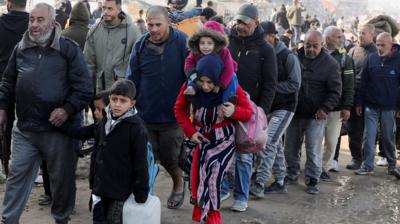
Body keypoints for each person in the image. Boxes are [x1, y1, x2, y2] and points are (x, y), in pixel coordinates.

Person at [0, 3, 93, 223]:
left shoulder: (68, 49)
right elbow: (8, 81)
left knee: (62, 181)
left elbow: (84, 88)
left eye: (40, 20)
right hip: (25, 128)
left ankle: (61, 219)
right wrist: (2, 106)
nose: (34, 24)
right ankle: (8, 220)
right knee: (16, 177)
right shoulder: (20, 48)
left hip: (58, 130)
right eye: (31, 19)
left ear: (53, 23)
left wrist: (67, 109)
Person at [174, 54, 252, 224]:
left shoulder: (231, 85)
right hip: (200, 141)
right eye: (202, 81)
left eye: (210, 82)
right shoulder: (190, 86)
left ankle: (214, 217)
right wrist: (190, 132)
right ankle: (205, 215)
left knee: (213, 178)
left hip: (223, 141)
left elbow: (248, 112)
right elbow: (179, 109)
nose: (206, 86)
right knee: (200, 179)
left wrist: (234, 112)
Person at [62, 80, 150, 223]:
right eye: (114, 99)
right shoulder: (104, 121)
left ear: (132, 103)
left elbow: (140, 163)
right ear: (109, 99)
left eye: (123, 101)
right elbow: (93, 147)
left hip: (119, 192)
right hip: (99, 188)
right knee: (98, 220)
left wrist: (142, 192)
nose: (117, 104)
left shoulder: (136, 128)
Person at [126, 5, 188, 209]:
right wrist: (128, 101)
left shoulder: (182, 42)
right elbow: (131, 78)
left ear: (168, 23)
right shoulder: (140, 45)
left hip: (173, 115)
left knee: (170, 158)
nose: (153, 29)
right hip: (145, 113)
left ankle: (179, 184)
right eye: (150, 25)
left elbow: (192, 73)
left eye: (158, 25)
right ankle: (145, 197)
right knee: (145, 159)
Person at [226, 4, 277, 212]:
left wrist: (261, 110)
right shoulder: (228, 44)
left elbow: (270, 83)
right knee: (222, 150)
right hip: (226, 106)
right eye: (238, 22)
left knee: (245, 156)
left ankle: (241, 196)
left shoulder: (265, 49)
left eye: (245, 23)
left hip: (251, 111)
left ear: (255, 23)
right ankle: (222, 189)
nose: (240, 26)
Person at [285, 30, 341, 194]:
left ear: (322, 45)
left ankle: (312, 179)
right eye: (308, 45)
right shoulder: (294, 57)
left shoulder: (330, 64)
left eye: (314, 46)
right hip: (294, 111)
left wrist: (325, 109)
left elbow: (336, 91)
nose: (310, 49)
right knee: (290, 147)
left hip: (316, 114)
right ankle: (292, 174)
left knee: (313, 149)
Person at [250, 21, 301, 198]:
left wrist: (271, 87)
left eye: (264, 36)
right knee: (276, 144)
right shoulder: (262, 53)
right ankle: (280, 181)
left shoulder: (287, 56)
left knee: (268, 142)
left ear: (272, 36)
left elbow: (295, 84)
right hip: (267, 107)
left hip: (285, 107)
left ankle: (260, 182)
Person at [354, 32, 400, 179]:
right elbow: (363, 83)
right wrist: (359, 103)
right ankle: (367, 166)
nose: (379, 48)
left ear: (391, 45)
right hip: (371, 106)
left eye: (383, 45)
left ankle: (392, 165)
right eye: (378, 44)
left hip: (389, 107)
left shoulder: (398, 60)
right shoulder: (371, 58)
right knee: (369, 136)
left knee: (387, 137)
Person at [84, 0, 140, 93]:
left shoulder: (132, 31)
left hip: (122, 93)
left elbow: (137, 64)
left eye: (110, 8)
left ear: (119, 9)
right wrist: (87, 90)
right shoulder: (94, 30)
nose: (105, 11)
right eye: (104, 8)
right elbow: (88, 62)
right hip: (100, 90)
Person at [320, 26, 354, 180]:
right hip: (316, 107)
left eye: (342, 37)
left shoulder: (345, 58)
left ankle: (324, 168)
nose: (341, 40)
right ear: (327, 39)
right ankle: (313, 167)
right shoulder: (316, 53)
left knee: (332, 141)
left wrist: (347, 106)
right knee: (313, 141)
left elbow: (349, 84)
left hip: (335, 108)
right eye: (337, 37)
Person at [0, 0, 29, 178]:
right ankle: (21, 163)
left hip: (2, 77)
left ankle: (6, 160)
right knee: (26, 122)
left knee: (5, 120)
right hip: (27, 78)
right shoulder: (33, 23)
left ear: (9, 3)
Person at [346, 24, 377, 170]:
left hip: (369, 98)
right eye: (359, 32)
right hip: (353, 95)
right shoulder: (352, 50)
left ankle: (367, 159)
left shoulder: (376, 53)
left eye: (363, 33)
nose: (360, 35)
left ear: (372, 35)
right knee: (353, 129)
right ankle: (356, 158)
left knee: (368, 132)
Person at [185, 21, 237, 104]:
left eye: (209, 43)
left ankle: (228, 100)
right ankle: (192, 94)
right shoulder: (196, 51)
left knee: (233, 78)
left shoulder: (224, 52)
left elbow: (229, 69)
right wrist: (194, 78)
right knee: (190, 79)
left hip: (221, 74)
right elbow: (189, 64)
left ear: (216, 43)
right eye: (202, 43)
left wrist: (220, 84)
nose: (205, 47)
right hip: (201, 75)